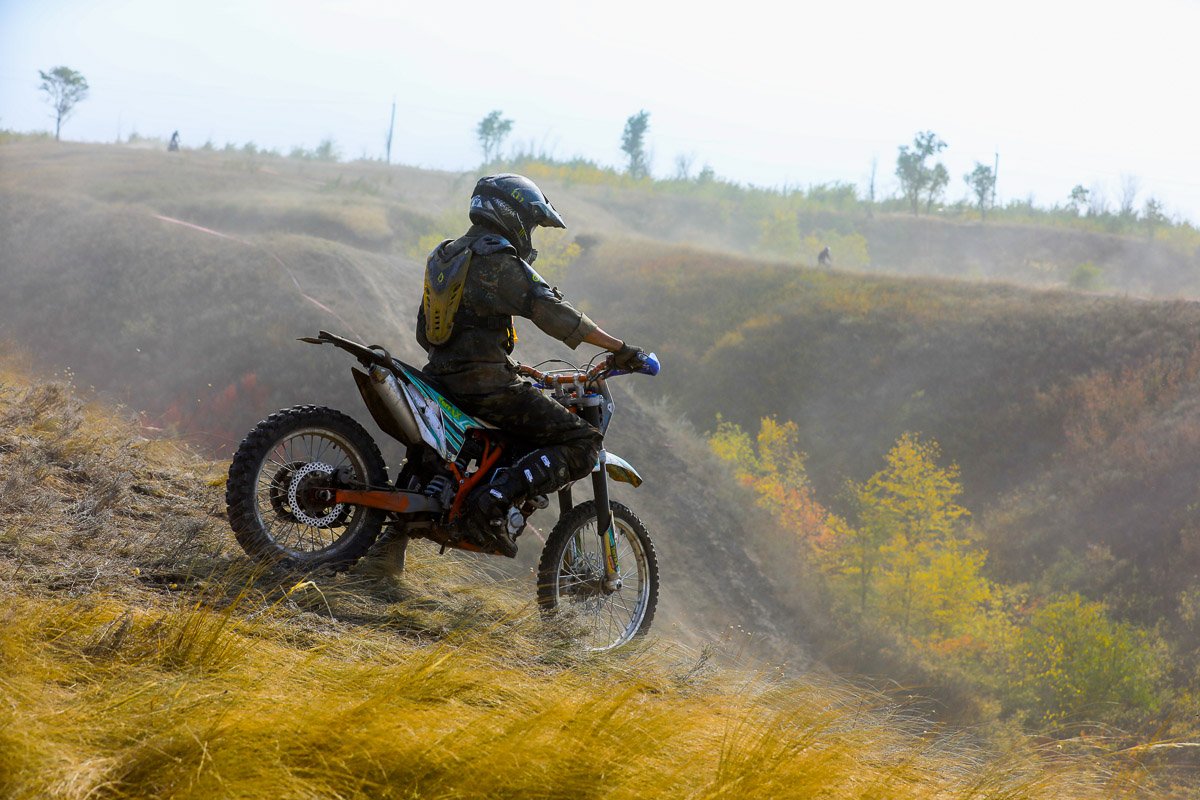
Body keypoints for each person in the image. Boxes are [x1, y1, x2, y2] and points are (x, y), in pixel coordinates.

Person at [415, 173, 646, 556]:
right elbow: (551, 311)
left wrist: (502, 362)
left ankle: (391, 539)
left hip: (436, 376)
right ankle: (491, 504)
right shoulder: (497, 261)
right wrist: (620, 348)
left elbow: (427, 332)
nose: (531, 234)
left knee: (427, 460)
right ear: (514, 215)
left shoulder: (446, 254)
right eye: (532, 224)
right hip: (484, 388)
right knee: (583, 441)